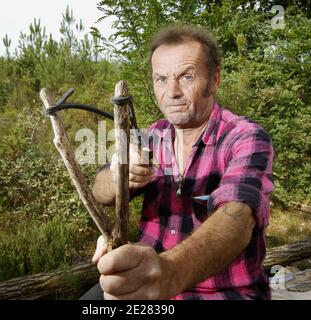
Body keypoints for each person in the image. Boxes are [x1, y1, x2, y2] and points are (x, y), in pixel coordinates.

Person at [80, 24, 274, 300]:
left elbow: (238, 218)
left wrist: (168, 272)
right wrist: (116, 176)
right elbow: (99, 192)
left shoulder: (244, 137)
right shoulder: (153, 136)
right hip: (145, 278)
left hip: (222, 291)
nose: (171, 92)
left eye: (186, 76)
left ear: (214, 79)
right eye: (160, 79)